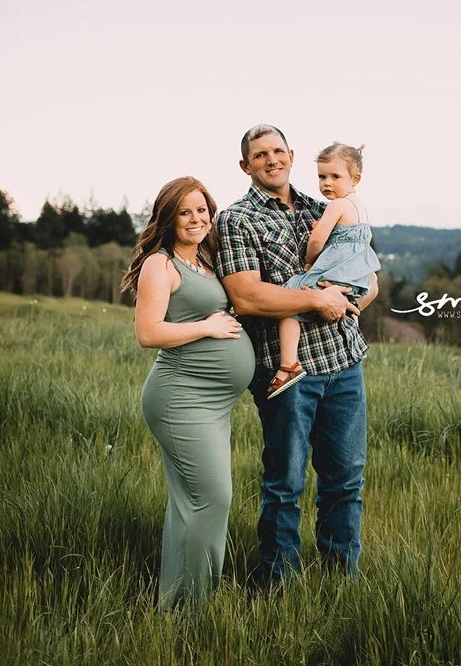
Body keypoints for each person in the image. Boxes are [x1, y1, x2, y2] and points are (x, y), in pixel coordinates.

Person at [216, 125, 378, 586]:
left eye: (278, 151)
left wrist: (348, 300)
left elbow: (365, 274)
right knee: (285, 484)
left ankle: (338, 582)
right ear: (246, 166)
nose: (271, 159)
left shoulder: (322, 204)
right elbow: (248, 298)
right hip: (287, 372)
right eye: (259, 154)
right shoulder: (237, 220)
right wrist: (314, 301)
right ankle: (277, 585)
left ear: (291, 154)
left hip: (343, 361)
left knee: (345, 481)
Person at [121, 177, 255, 608]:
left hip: (213, 403)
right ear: (168, 217)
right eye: (185, 212)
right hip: (181, 397)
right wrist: (208, 326)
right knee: (213, 498)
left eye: (201, 210)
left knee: (189, 503)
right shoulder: (159, 266)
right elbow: (148, 332)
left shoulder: (204, 259)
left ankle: (175, 607)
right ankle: (195, 607)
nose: (196, 219)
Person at [269, 141, 381, 399]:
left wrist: (309, 261)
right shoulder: (359, 206)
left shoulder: (336, 205)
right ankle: (352, 315)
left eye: (334, 177)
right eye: (322, 176)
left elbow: (317, 240)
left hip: (335, 274)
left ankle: (289, 365)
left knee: (290, 296)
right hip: (357, 276)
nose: (326, 183)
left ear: (355, 179)